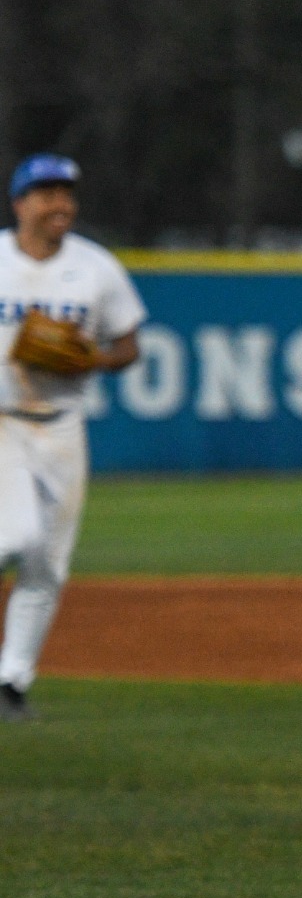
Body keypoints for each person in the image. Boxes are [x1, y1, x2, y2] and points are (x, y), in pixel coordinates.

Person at [0, 155, 144, 721]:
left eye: (66, 193)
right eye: (46, 194)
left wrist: (94, 359)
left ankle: (11, 682)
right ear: (20, 204)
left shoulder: (96, 267)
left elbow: (128, 346)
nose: (60, 204)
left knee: (47, 565)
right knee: (13, 538)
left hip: (61, 426)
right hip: (1, 420)